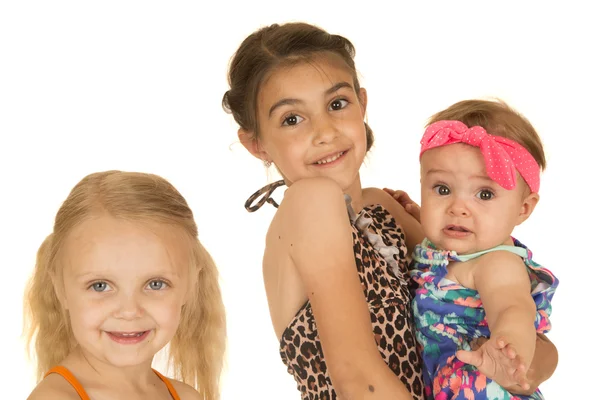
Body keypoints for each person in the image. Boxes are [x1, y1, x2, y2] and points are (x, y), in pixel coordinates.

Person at [223, 22, 557, 399]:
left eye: (336, 104)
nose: (325, 131)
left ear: (362, 104)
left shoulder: (383, 207)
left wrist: (516, 357)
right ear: (256, 144)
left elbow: (496, 310)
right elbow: (358, 380)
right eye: (291, 119)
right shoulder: (309, 203)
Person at [398, 99, 559, 399]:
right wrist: (416, 213)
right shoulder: (446, 251)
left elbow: (513, 307)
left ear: (523, 209)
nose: (458, 208)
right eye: (442, 190)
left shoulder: (497, 263)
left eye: (484, 194)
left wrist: (508, 349)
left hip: (485, 387)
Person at [24, 171, 226, 400]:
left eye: (156, 284)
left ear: (190, 286)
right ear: (60, 288)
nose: (129, 311)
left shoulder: (186, 396)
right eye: (100, 286)